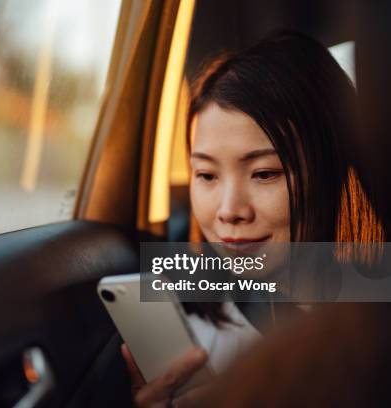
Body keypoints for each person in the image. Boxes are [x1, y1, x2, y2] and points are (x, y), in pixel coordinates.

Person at [122, 30, 384, 407]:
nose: (230, 210)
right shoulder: (195, 328)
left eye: (264, 173)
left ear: (337, 171)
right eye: (207, 175)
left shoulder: (371, 337)